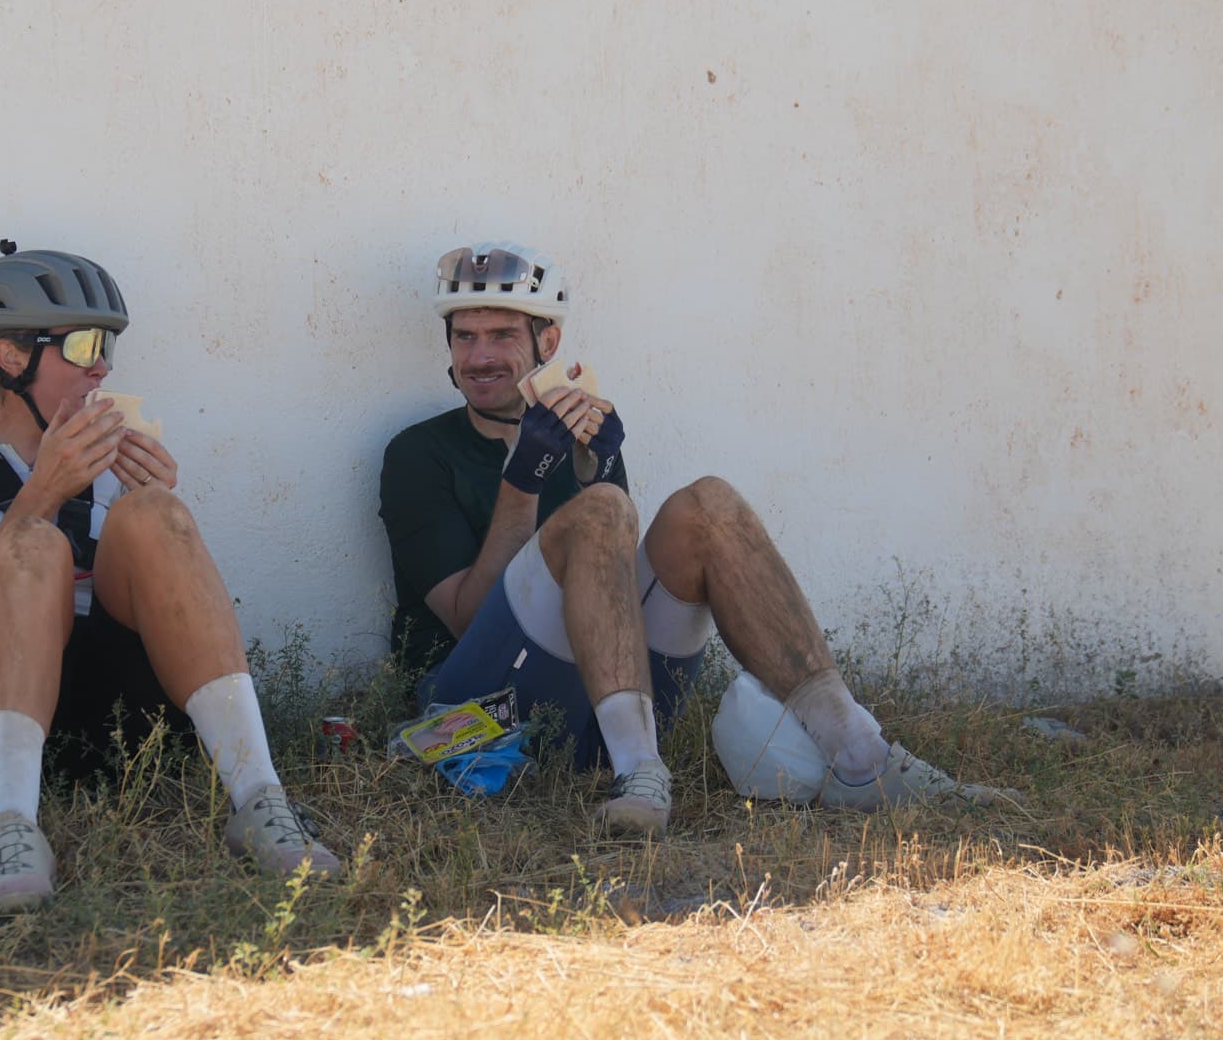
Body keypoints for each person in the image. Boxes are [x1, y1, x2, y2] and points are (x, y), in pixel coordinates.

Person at [378, 241, 1011, 833]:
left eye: (499, 335)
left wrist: (593, 468)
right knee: (602, 511)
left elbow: (617, 599)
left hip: (602, 707)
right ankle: (639, 773)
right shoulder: (419, 453)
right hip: (484, 713)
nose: (479, 357)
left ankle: (860, 755)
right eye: (465, 337)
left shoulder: (578, 437)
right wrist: (524, 484)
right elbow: (463, 619)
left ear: (548, 340)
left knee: (708, 503)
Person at [0, 243, 339, 917]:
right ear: (11, 356)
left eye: (110, 347)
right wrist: (39, 495)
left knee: (156, 512)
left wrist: (150, 511)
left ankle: (261, 801)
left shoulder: (114, 453)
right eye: (84, 344)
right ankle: (9, 832)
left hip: (125, 730)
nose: (102, 365)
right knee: (32, 541)